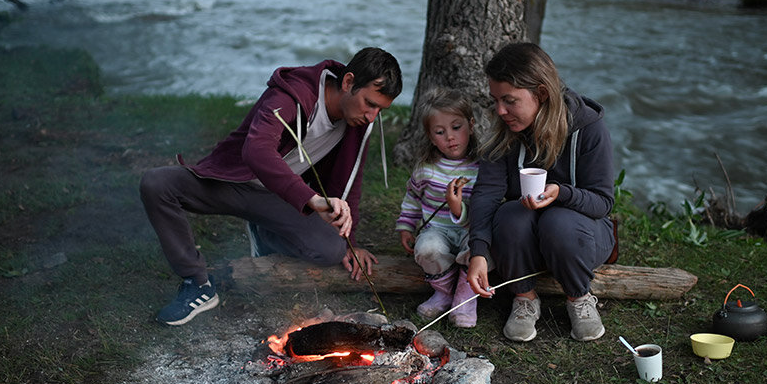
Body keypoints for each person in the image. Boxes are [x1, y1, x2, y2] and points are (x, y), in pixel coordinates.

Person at [141, 47, 403, 326]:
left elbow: (351, 179)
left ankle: (265, 232)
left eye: (380, 109)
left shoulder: (358, 120)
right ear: (349, 82)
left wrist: (351, 240)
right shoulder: (293, 94)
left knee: (331, 250)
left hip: (282, 198)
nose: (373, 115)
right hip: (232, 182)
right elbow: (256, 150)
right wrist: (312, 199)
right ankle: (197, 283)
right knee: (157, 184)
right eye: (369, 103)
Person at [467, 42, 616, 342]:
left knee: (557, 221)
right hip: (526, 241)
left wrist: (562, 193)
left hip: (582, 235)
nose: (500, 110)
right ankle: (524, 298)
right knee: (510, 214)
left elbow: (603, 203)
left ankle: (579, 298)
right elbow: (486, 195)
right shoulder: (504, 134)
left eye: (509, 100)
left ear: (541, 93)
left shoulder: (589, 129)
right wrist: (479, 252)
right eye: (495, 100)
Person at [396, 91, 481, 327]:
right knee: (428, 249)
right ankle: (444, 292)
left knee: (479, 249)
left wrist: (458, 209)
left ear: (471, 126)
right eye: (440, 132)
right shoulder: (427, 169)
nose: (450, 138)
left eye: (456, 127)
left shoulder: (481, 168)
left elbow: (486, 207)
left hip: (470, 230)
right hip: (437, 230)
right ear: (431, 137)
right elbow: (413, 195)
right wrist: (406, 225)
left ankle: (465, 298)